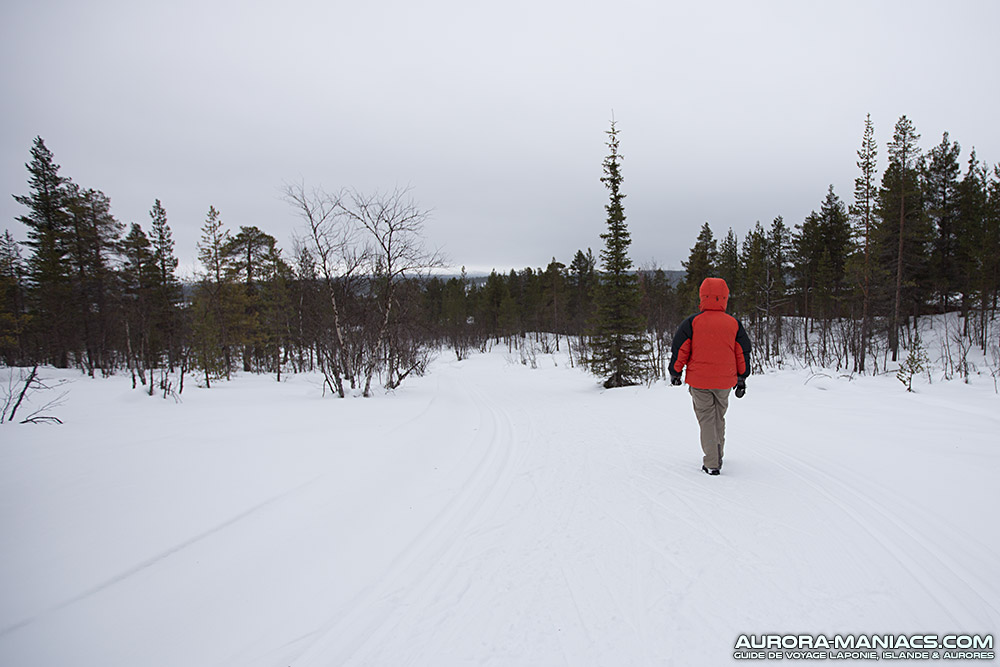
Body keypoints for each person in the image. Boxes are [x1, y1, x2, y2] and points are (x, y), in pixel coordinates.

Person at [669, 277, 751, 475]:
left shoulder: (692, 323)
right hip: (724, 382)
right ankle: (718, 454)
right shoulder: (734, 324)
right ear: (724, 298)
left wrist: (675, 371)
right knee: (718, 417)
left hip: (699, 382)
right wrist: (742, 378)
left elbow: (680, 350)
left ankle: (712, 462)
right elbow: (742, 352)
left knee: (706, 419)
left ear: (703, 296)